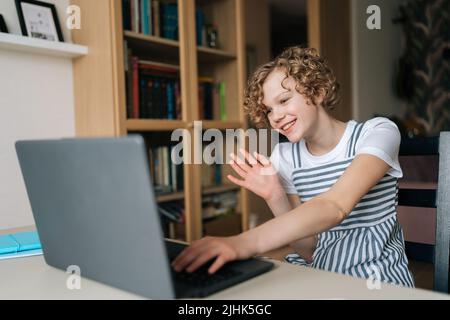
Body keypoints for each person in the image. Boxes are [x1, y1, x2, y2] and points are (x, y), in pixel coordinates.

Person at [172, 46, 414, 287]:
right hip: (322, 279)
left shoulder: (378, 132)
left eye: (284, 100)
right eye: (268, 110)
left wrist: (244, 242)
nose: (275, 116)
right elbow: (309, 251)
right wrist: (275, 196)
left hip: (379, 281)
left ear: (317, 92)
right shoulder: (285, 156)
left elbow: (335, 206)